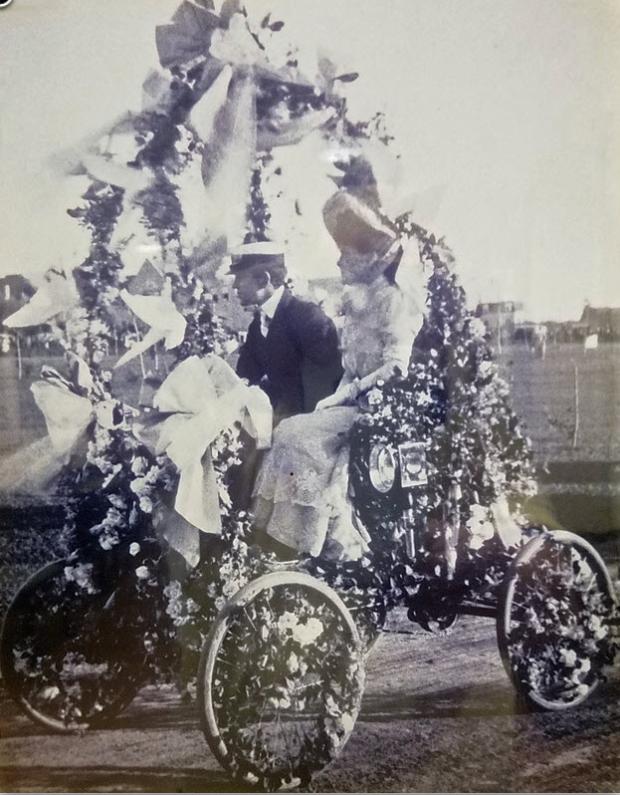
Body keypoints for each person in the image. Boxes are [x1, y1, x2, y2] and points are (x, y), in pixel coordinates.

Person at [251, 191, 425, 561]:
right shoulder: (356, 303)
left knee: (299, 437)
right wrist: (336, 396)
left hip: (381, 408)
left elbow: (396, 367)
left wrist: (347, 395)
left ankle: (320, 542)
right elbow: (350, 366)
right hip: (353, 402)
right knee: (288, 431)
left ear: (368, 259)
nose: (339, 260)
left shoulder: (395, 302)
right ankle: (285, 536)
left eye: (347, 253)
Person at [230, 241, 343, 426]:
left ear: (263, 280)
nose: (235, 287)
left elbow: (323, 391)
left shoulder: (308, 319)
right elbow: (246, 376)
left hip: (310, 426)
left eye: (240, 278)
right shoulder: (257, 326)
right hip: (276, 421)